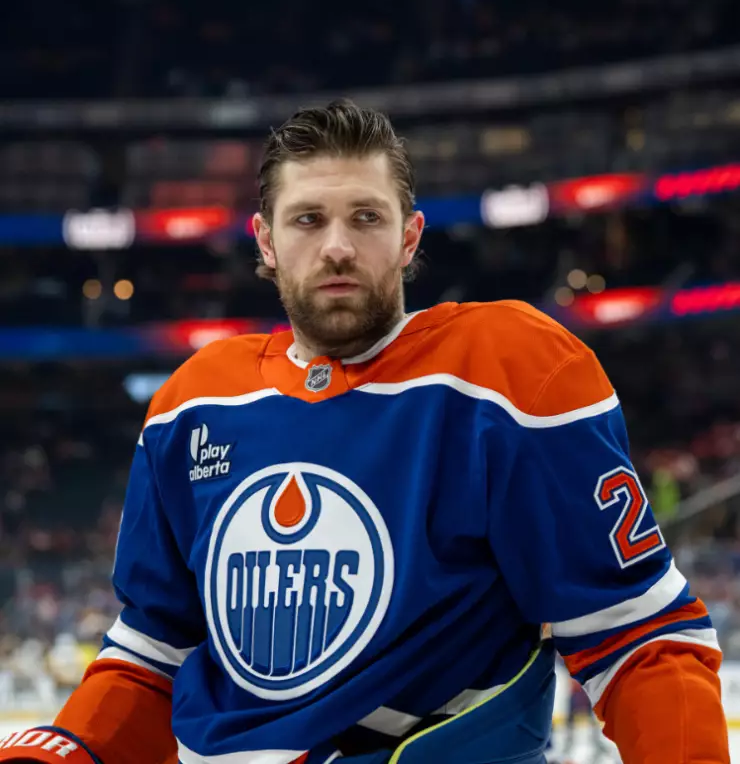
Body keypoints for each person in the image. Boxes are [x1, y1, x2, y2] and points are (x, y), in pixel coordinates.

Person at [0, 100, 728, 764]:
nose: (338, 247)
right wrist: (65, 751)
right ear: (266, 242)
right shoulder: (190, 404)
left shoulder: (510, 375)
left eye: (366, 218)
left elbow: (638, 636)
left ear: (410, 237)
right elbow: (153, 655)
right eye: (308, 220)